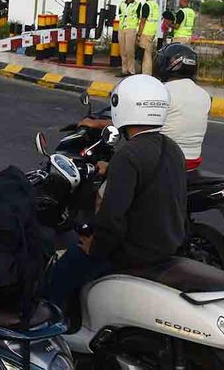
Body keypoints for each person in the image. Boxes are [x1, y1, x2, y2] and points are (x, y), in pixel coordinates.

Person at [45, 75, 187, 310]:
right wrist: (111, 169)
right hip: (168, 244)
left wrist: (95, 247)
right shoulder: (171, 148)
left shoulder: (128, 155)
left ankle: (48, 323)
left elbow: (112, 217)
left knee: (64, 268)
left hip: (135, 251)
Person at [154, 44, 210, 170]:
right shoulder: (204, 95)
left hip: (165, 158)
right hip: (193, 159)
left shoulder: (162, 91)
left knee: (123, 160)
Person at [136, 0, 160, 75]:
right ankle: (147, 73)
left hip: (145, 33)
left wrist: (139, 34)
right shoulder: (155, 5)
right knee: (148, 53)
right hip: (152, 32)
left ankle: (146, 74)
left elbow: (143, 21)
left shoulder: (146, 5)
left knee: (146, 56)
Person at [116, 0, 140, 77]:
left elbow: (139, 17)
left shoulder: (137, 5)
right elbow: (121, 15)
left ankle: (131, 70)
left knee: (130, 50)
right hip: (122, 28)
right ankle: (124, 70)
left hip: (131, 29)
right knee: (122, 50)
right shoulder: (122, 4)